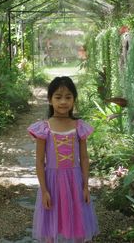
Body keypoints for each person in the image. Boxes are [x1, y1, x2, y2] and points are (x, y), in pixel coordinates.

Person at [28, 76, 99, 243]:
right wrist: (44, 190)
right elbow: (39, 161)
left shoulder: (79, 126)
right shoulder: (44, 128)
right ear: (50, 100)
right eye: (58, 97)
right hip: (52, 183)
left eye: (68, 97)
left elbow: (84, 158)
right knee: (50, 225)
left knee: (78, 223)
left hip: (75, 181)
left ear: (74, 99)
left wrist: (85, 186)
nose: (63, 102)